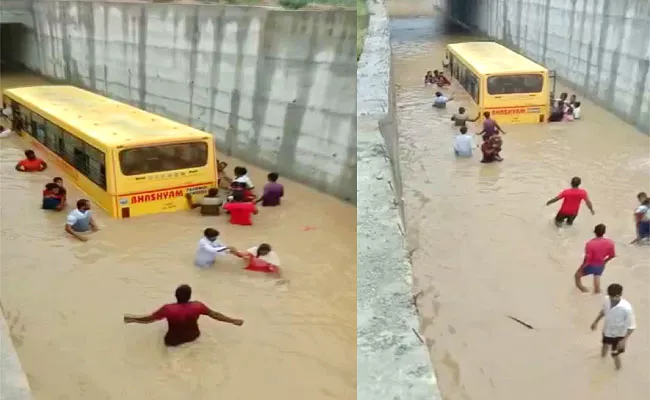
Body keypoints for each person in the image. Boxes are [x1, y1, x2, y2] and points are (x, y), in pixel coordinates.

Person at [123, 284, 244, 347]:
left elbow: (149, 319)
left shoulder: (168, 309)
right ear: (190, 296)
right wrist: (233, 320)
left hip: (173, 340)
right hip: (193, 336)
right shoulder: (198, 306)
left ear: (175, 295)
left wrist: (132, 319)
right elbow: (215, 314)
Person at [590, 283, 636, 370]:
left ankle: (618, 370)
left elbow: (632, 326)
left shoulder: (626, 308)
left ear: (619, 295)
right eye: (609, 296)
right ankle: (601, 362)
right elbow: (603, 311)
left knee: (615, 355)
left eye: (613, 297)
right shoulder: (606, 299)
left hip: (618, 335)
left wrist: (624, 340)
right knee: (604, 346)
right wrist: (595, 321)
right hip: (607, 331)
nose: (611, 299)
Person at [575, 224, 616, 293]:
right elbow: (612, 255)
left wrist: (581, 267)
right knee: (597, 277)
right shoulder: (610, 243)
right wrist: (605, 261)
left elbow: (587, 259)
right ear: (604, 232)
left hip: (590, 265)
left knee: (577, 276)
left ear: (594, 231)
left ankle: (584, 291)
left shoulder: (590, 244)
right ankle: (597, 293)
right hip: (601, 265)